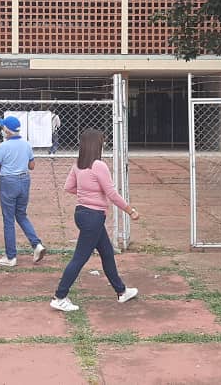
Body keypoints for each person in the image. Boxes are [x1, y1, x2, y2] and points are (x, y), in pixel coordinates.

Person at [50, 129, 141, 312]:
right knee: (79, 258)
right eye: (102, 141)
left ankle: (121, 291)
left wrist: (86, 194)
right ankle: (60, 296)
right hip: (93, 217)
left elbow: (69, 187)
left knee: (107, 253)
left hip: (82, 213)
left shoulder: (78, 164)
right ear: (97, 144)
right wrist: (130, 211)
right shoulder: (99, 165)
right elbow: (112, 194)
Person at [0, 115, 45, 267]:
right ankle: (36, 244)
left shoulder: (4, 146)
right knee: (21, 214)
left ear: (6, 130)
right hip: (24, 180)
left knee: (8, 219)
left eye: (3, 128)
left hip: (8, 181)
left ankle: (11, 256)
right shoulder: (26, 144)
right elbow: (32, 165)